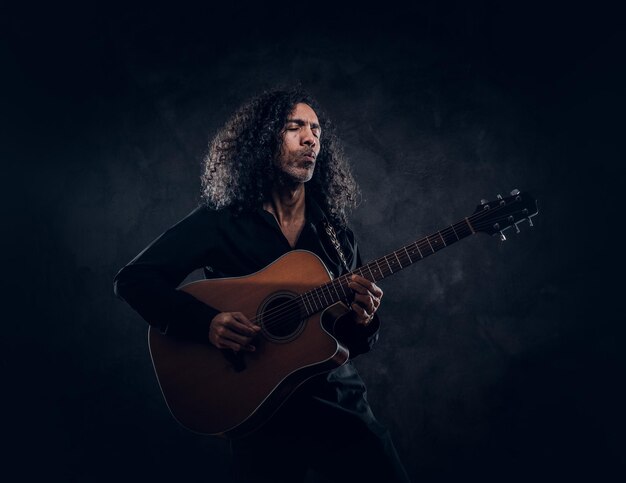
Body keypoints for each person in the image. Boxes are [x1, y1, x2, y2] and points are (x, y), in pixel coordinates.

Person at [113, 87, 410, 483]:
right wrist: (205, 323)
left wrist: (364, 317)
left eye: (317, 131)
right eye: (295, 127)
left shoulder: (336, 232)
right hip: (254, 408)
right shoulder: (220, 221)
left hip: (337, 404)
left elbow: (349, 344)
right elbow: (134, 280)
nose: (311, 139)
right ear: (263, 141)